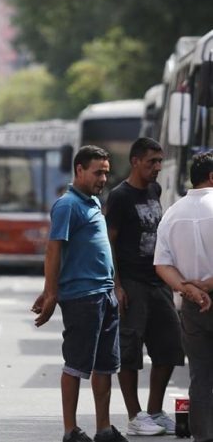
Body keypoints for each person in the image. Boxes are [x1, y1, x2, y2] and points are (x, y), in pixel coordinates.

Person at [32, 145, 129, 442]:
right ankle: (70, 430)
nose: (103, 178)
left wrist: (115, 285)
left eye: (106, 173)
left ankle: (103, 428)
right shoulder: (67, 205)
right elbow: (53, 250)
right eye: (98, 172)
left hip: (104, 294)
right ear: (79, 170)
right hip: (82, 297)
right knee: (75, 364)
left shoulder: (93, 203)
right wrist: (51, 293)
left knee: (105, 366)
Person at [104, 137, 182, 436]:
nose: (158, 167)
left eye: (160, 161)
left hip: (157, 280)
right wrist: (117, 285)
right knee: (130, 351)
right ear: (135, 161)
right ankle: (135, 415)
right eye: (152, 161)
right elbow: (109, 242)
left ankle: (155, 411)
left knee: (170, 346)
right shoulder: (120, 196)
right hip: (132, 283)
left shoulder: (155, 189)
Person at [154, 151, 213, 442]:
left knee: (199, 376)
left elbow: (161, 264)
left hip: (191, 307)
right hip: (206, 297)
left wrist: (190, 290)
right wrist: (207, 286)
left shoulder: (172, 213)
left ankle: (202, 436)